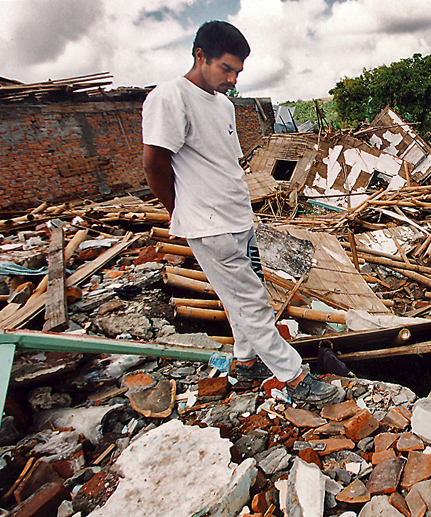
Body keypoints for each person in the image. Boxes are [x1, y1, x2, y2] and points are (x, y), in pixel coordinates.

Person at [141, 20, 344, 407]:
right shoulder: (170, 98)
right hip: (210, 225)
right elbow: (154, 165)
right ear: (200, 56)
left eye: (237, 72)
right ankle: (296, 378)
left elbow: (224, 164)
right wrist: (179, 210)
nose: (233, 79)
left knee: (241, 299)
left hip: (238, 219)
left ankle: (247, 362)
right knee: (252, 303)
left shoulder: (222, 105)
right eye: (226, 69)